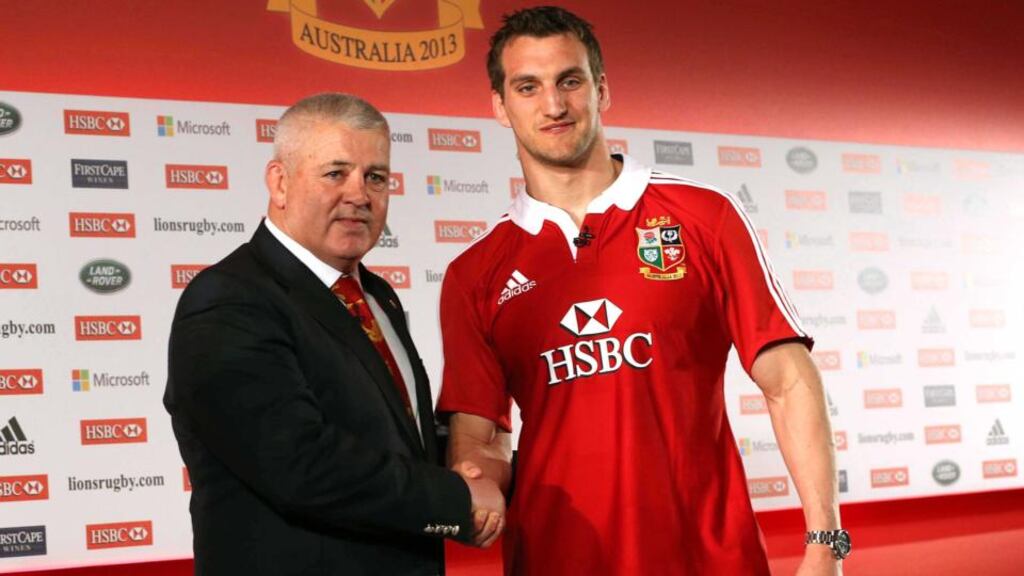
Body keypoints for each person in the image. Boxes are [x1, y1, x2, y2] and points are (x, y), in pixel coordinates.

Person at [438, 7, 846, 575]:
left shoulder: (706, 217)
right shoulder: (474, 273)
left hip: (708, 558)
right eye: (527, 87)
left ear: (602, 90)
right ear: (499, 107)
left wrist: (826, 541)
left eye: (570, 81)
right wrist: (472, 482)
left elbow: (787, 380)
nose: (553, 105)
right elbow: (478, 439)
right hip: (557, 559)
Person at [165, 92, 503, 576]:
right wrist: (455, 499)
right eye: (335, 173)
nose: (359, 195)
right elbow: (299, 464)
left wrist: (482, 453)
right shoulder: (229, 299)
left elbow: (392, 435)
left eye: (376, 177)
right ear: (279, 183)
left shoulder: (376, 295)